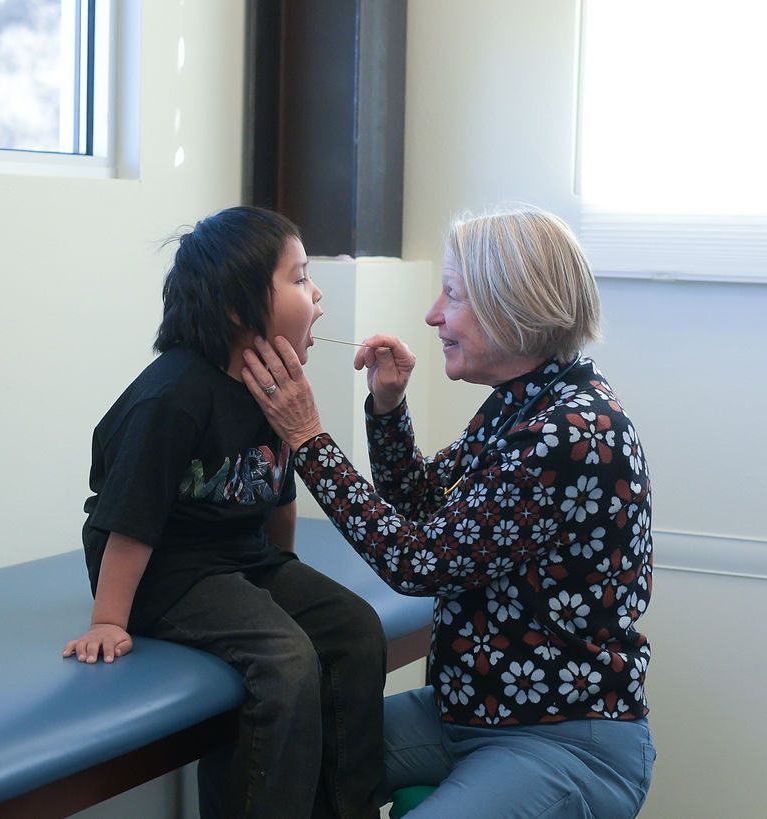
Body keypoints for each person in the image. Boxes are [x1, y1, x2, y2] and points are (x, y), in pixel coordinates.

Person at [241, 206, 655, 818]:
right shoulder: (528, 401)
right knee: (280, 756)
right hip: (467, 714)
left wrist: (307, 439)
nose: (433, 314)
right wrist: (387, 410)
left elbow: (422, 562)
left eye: (453, 296)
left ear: (511, 306)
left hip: (563, 739)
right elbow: (429, 505)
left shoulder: (570, 430)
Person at [61, 205, 387, 819]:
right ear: (238, 309)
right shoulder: (172, 396)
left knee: (355, 630)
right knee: (286, 662)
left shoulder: (275, 387)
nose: (317, 295)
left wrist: (285, 575)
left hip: (242, 556)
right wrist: (108, 619)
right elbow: (128, 519)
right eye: (298, 278)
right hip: (168, 569)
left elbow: (277, 493)